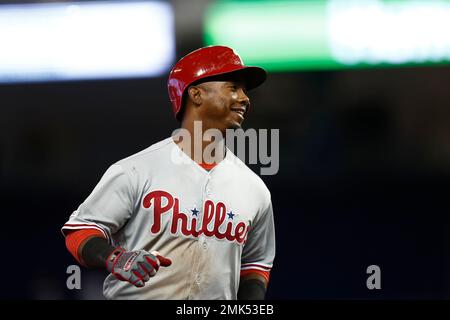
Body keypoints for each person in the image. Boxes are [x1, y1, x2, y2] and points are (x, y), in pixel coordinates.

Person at [61, 45, 276, 300]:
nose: (244, 98)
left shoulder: (254, 189)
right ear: (196, 94)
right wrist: (114, 257)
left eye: (244, 90)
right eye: (233, 87)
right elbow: (81, 230)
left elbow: (255, 264)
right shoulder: (136, 170)